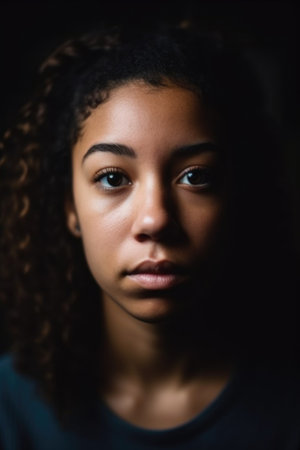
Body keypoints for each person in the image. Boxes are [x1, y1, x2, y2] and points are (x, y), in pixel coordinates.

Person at [0, 22, 299, 450]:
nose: (156, 219)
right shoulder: (9, 409)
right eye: (113, 177)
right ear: (70, 207)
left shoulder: (287, 405)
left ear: (236, 195)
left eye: (196, 176)